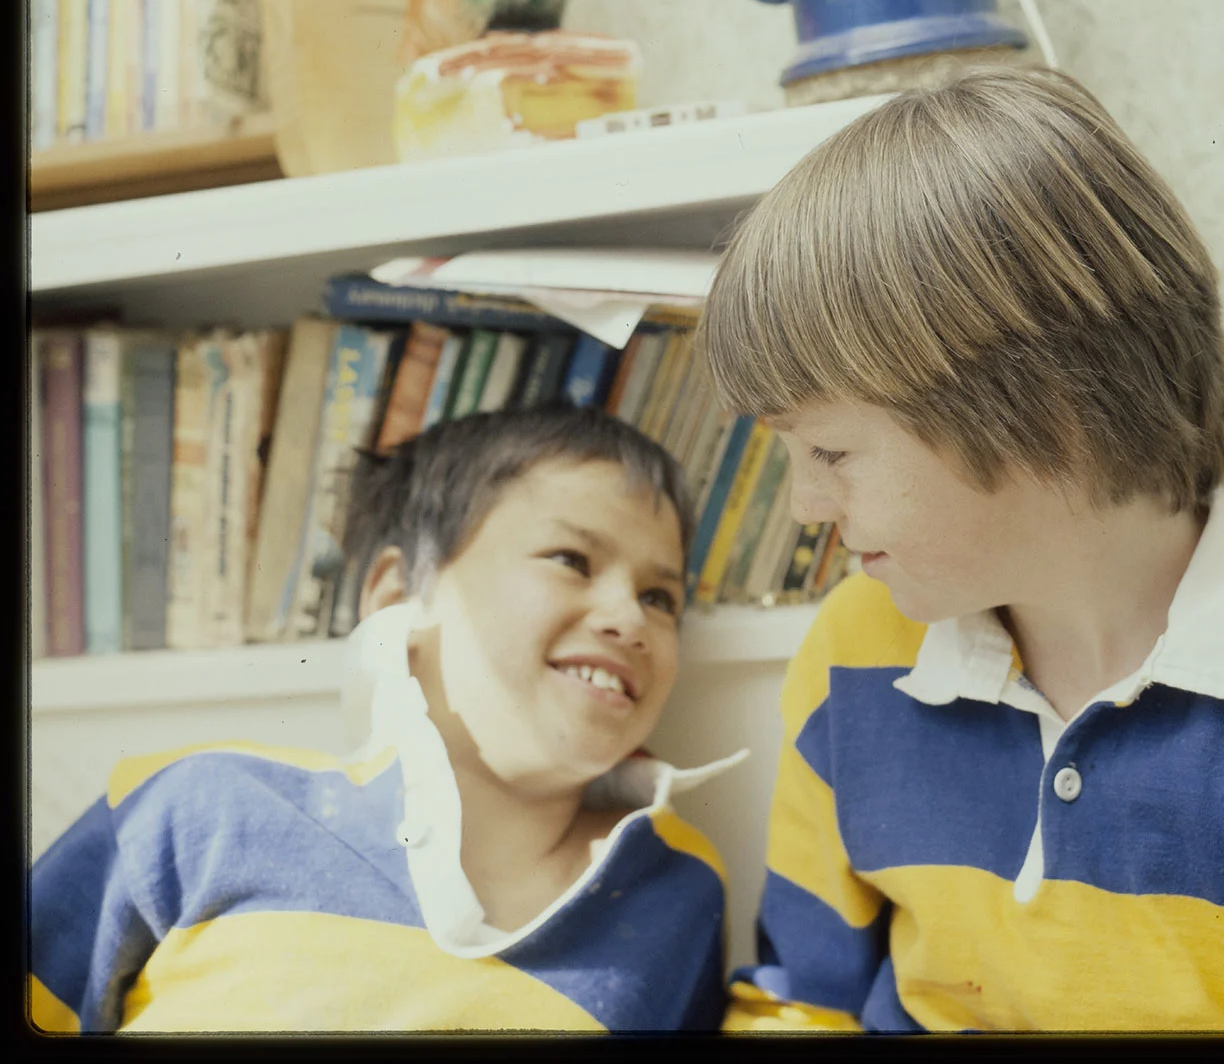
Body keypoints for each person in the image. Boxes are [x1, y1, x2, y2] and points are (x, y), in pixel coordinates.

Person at [696, 66, 1224, 1033]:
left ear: (1041, 408)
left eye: (832, 449)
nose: (807, 503)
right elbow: (802, 1000)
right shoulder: (853, 653)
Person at [29, 406, 744, 1034]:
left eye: (660, 596)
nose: (628, 617)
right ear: (400, 593)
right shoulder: (197, 808)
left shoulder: (678, 889)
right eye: (572, 558)